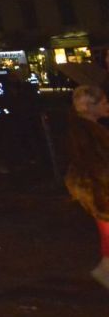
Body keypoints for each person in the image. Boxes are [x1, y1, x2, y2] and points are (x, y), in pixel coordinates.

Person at [62, 84, 109, 291]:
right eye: (104, 102)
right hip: (99, 191)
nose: (107, 105)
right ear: (90, 107)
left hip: (97, 191)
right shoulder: (85, 133)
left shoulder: (87, 128)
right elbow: (96, 166)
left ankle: (105, 272)